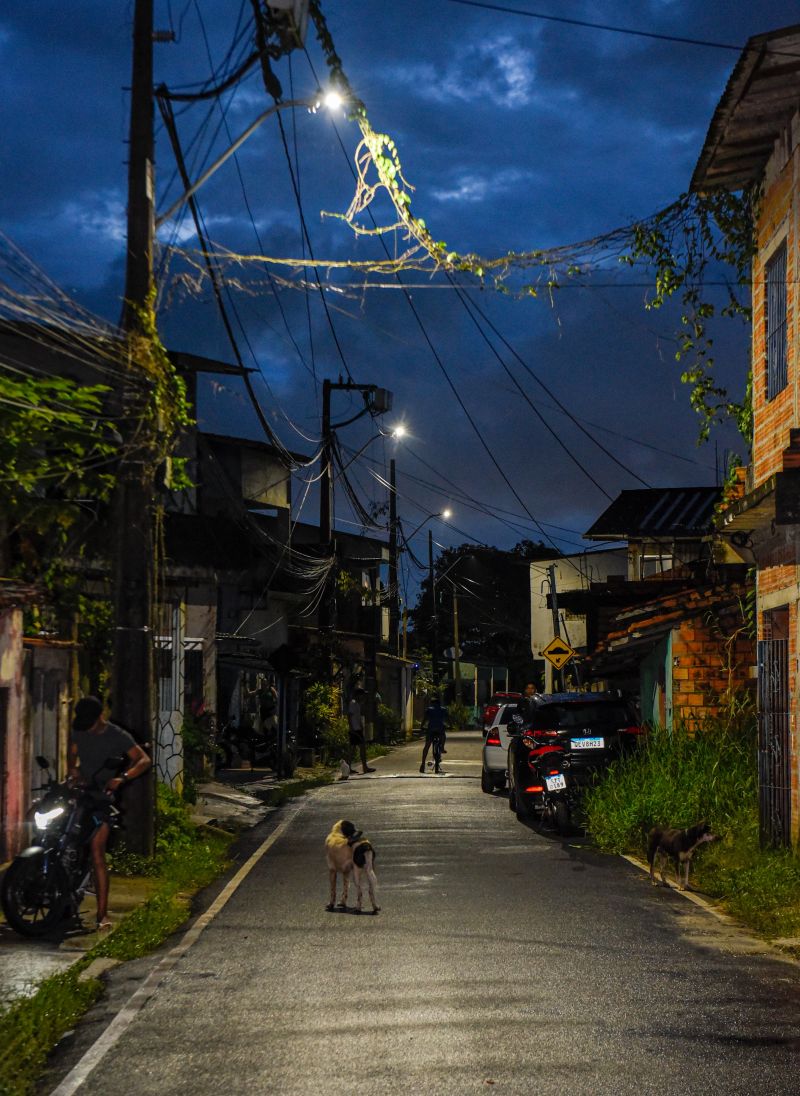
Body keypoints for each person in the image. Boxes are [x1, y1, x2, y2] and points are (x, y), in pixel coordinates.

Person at [67, 695, 151, 931]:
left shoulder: (116, 735)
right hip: (81, 795)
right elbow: (72, 752)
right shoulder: (80, 730)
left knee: (97, 852)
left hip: (102, 799)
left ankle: (102, 914)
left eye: (90, 725)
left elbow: (143, 760)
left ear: (100, 718)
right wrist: (74, 771)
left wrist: (122, 778)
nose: (87, 730)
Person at [346, 688, 376, 775]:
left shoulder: (357, 704)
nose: (363, 697)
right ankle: (364, 767)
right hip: (355, 729)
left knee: (354, 749)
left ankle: (351, 768)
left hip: (357, 728)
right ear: (358, 695)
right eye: (362, 695)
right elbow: (349, 716)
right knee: (360, 748)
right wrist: (351, 728)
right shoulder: (353, 703)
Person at [419, 697, 449, 773]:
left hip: (431, 730)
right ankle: (442, 747)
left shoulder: (429, 710)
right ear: (439, 704)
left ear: (432, 704)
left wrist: (421, 727)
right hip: (440, 729)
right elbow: (448, 719)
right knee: (443, 736)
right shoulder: (443, 709)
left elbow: (425, 719)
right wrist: (450, 725)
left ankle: (422, 764)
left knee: (427, 746)